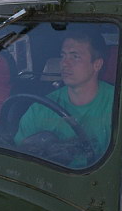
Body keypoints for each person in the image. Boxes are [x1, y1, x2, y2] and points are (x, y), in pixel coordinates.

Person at [14, 30, 114, 166]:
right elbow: (18, 161)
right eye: (63, 56)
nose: (64, 63)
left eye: (75, 56)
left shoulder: (119, 106)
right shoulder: (40, 109)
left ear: (97, 64)